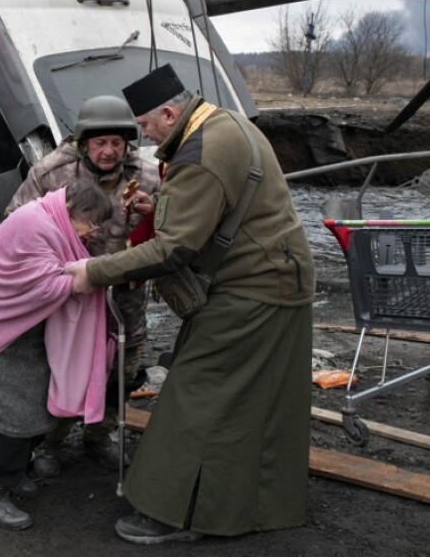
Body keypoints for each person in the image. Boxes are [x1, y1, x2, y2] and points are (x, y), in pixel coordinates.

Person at [67, 64, 315, 544]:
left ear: (168, 112)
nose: (140, 136)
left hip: (254, 288)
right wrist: (160, 209)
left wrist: (91, 272)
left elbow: (173, 250)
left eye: (143, 126)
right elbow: (212, 207)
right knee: (250, 400)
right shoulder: (225, 122)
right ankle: (249, 502)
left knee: (195, 394)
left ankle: (175, 511)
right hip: (279, 278)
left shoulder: (198, 153)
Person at [6, 95, 159, 474]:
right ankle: (48, 442)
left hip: (125, 297)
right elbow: (15, 225)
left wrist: (153, 212)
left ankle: (98, 435)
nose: (109, 152)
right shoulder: (51, 173)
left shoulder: (149, 176)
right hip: (65, 298)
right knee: (58, 370)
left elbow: (175, 229)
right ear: (84, 141)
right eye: (100, 143)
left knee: (120, 370)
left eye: (116, 144)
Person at [0, 180, 114, 530]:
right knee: (10, 419)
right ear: (72, 210)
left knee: (29, 409)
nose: (92, 232)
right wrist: (92, 275)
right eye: (91, 223)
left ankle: (17, 473)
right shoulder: (35, 224)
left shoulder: (52, 221)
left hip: (23, 334)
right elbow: (44, 285)